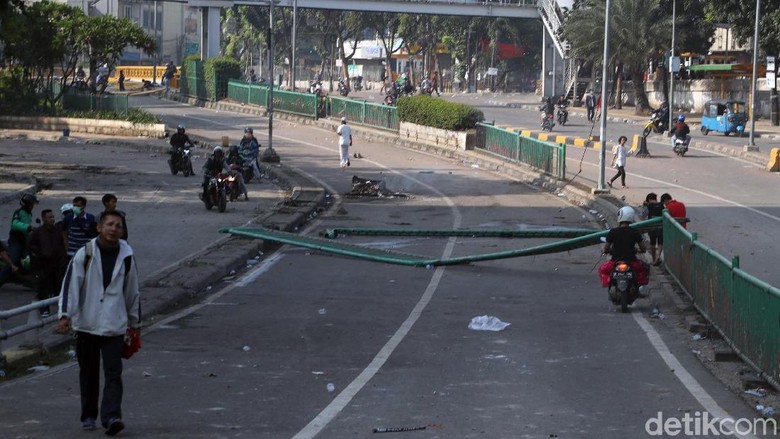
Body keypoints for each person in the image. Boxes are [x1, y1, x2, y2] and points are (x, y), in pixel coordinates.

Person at [56, 210, 140, 436]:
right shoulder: (85, 254)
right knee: (89, 373)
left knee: (114, 372)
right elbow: (70, 286)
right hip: (87, 324)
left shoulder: (127, 255)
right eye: (110, 224)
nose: (114, 229)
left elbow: (133, 291)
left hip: (114, 324)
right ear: (99, 227)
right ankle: (89, 416)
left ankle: (112, 416)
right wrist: (65, 315)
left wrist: (134, 322)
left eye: (118, 226)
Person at [598, 206, 649, 289]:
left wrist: (606, 251)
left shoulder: (613, 232)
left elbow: (606, 248)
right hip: (632, 262)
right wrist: (638, 250)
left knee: (602, 269)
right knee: (645, 268)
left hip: (615, 262)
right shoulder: (635, 232)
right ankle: (639, 287)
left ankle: (610, 285)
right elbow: (643, 248)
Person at [27, 209, 67, 316]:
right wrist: (39, 254)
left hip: (56, 264)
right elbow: (30, 245)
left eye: (53, 217)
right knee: (43, 288)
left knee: (57, 286)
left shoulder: (57, 231)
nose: (52, 219)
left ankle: (60, 309)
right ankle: (44, 309)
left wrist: (62, 256)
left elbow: (61, 244)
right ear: (44, 219)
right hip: (43, 264)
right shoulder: (38, 232)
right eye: (50, 217)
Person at [0, 193, 38, 289]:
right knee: (11, 262)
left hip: (25, 242)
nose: (33, 206)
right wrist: (29, 228)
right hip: (16, 242)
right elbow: (15, 224)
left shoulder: (29, 214)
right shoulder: (19, 212)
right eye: (32, 204)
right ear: (27, 204)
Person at [62, 196, 98, 264]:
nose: (75, 208)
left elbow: (94, 235)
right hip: (72, 251)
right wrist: (66, 243)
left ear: (83, 206)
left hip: (86, 251)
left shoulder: (91, 218)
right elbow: (64, 230)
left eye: (78, 206)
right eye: (74, 205)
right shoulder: (68, 218)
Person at [643, 192, 664, 266]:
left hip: (652, 226)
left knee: (652, 242)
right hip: (661, 226)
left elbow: (643, 214)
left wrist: (644, 206)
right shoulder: (661, 205)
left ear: (648, 199)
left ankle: (654, 258)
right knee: (660, 242)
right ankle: (658, 256)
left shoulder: (649, 206)